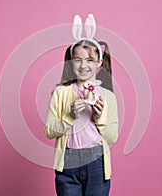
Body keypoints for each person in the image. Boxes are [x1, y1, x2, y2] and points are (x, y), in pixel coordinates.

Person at [45, 14, 119, 196]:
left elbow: (111, 138)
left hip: (97, 162)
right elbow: (49, 131)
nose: (83, 65)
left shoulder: (108, 96)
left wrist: (100, 117)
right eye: (78, 60)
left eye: (90, 60)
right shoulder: (61, 93)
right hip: (68, 162)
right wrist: (69, 117)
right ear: (71, 62)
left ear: (99, 63)